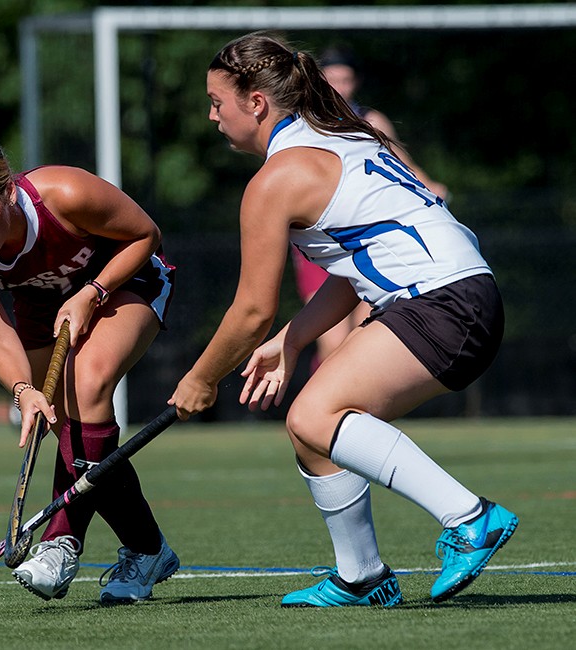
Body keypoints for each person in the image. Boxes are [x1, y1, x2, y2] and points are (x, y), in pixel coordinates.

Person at [169, 32, 518, 607]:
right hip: (461, 295)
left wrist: (202, 378)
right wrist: (294, 338)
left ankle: (469, 517)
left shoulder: (277, 178)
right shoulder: (336, 137)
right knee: (312, 426)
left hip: (442, 303)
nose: (212, 115)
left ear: (256, 102)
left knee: (314, 413)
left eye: (216, 101)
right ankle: (362, 576)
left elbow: (251, 309)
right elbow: (353, 266)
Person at [0, 133, 179, 604]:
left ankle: (60, 542)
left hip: (123, 279)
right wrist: (22, 390)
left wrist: (91, 291)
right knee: (68, 425)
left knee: (86, 382)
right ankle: (148, 548)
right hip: (41, 307)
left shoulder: (65, 194)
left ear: (8, 192)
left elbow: (146, 235)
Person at [292, 44, 449, 373]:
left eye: (346, 79)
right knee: (332, 341)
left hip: (367, 240)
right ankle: (321, 409)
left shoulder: (370, 121)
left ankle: (347, 408)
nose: (339, 86)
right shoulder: (304, 123)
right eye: (332, 78)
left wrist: (429, 187)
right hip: (325, 241)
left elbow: (401, 165)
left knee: (363, 336)